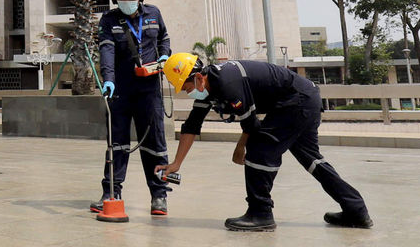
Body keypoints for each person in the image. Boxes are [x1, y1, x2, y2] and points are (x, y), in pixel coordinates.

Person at [155, 53, 372, 232]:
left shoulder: (227, 83)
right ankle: (356, 209)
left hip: (296, 102)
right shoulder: (209, 87)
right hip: (304, 98)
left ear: (199, 78)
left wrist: (241, 147)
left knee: (259, 150)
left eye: (186, 87)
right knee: (311, 159)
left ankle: (260, 213)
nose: (187, 93)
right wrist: (176, 164)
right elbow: (192, 125)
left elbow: (252, 127)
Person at [90, 0, 172, 217]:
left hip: (149, 91)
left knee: (155, 144)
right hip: (120, 92)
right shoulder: (108, 20)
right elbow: (107, 52)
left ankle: (159, 195)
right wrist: (109, 80)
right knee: (117, 145)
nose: (128, 1)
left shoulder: (154, 13)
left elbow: (164, 40)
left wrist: (164, 58)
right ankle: (111, 193)